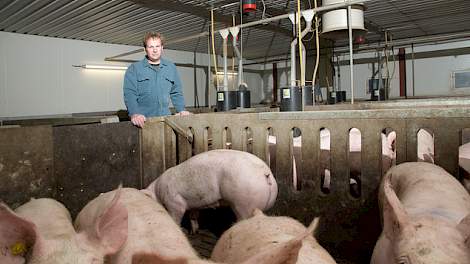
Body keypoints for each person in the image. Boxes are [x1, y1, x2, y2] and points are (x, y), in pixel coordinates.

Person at [123, 32, 190, 127]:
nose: (155, 50)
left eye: (157, 46)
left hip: (166, 120)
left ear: (162, 48)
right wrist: (134, 113)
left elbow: (176, 92)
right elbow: (130, 94)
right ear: (145, 49)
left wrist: (181, 110)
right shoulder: (135, 69)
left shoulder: (170, 67)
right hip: (144, 121)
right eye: (151, 47)